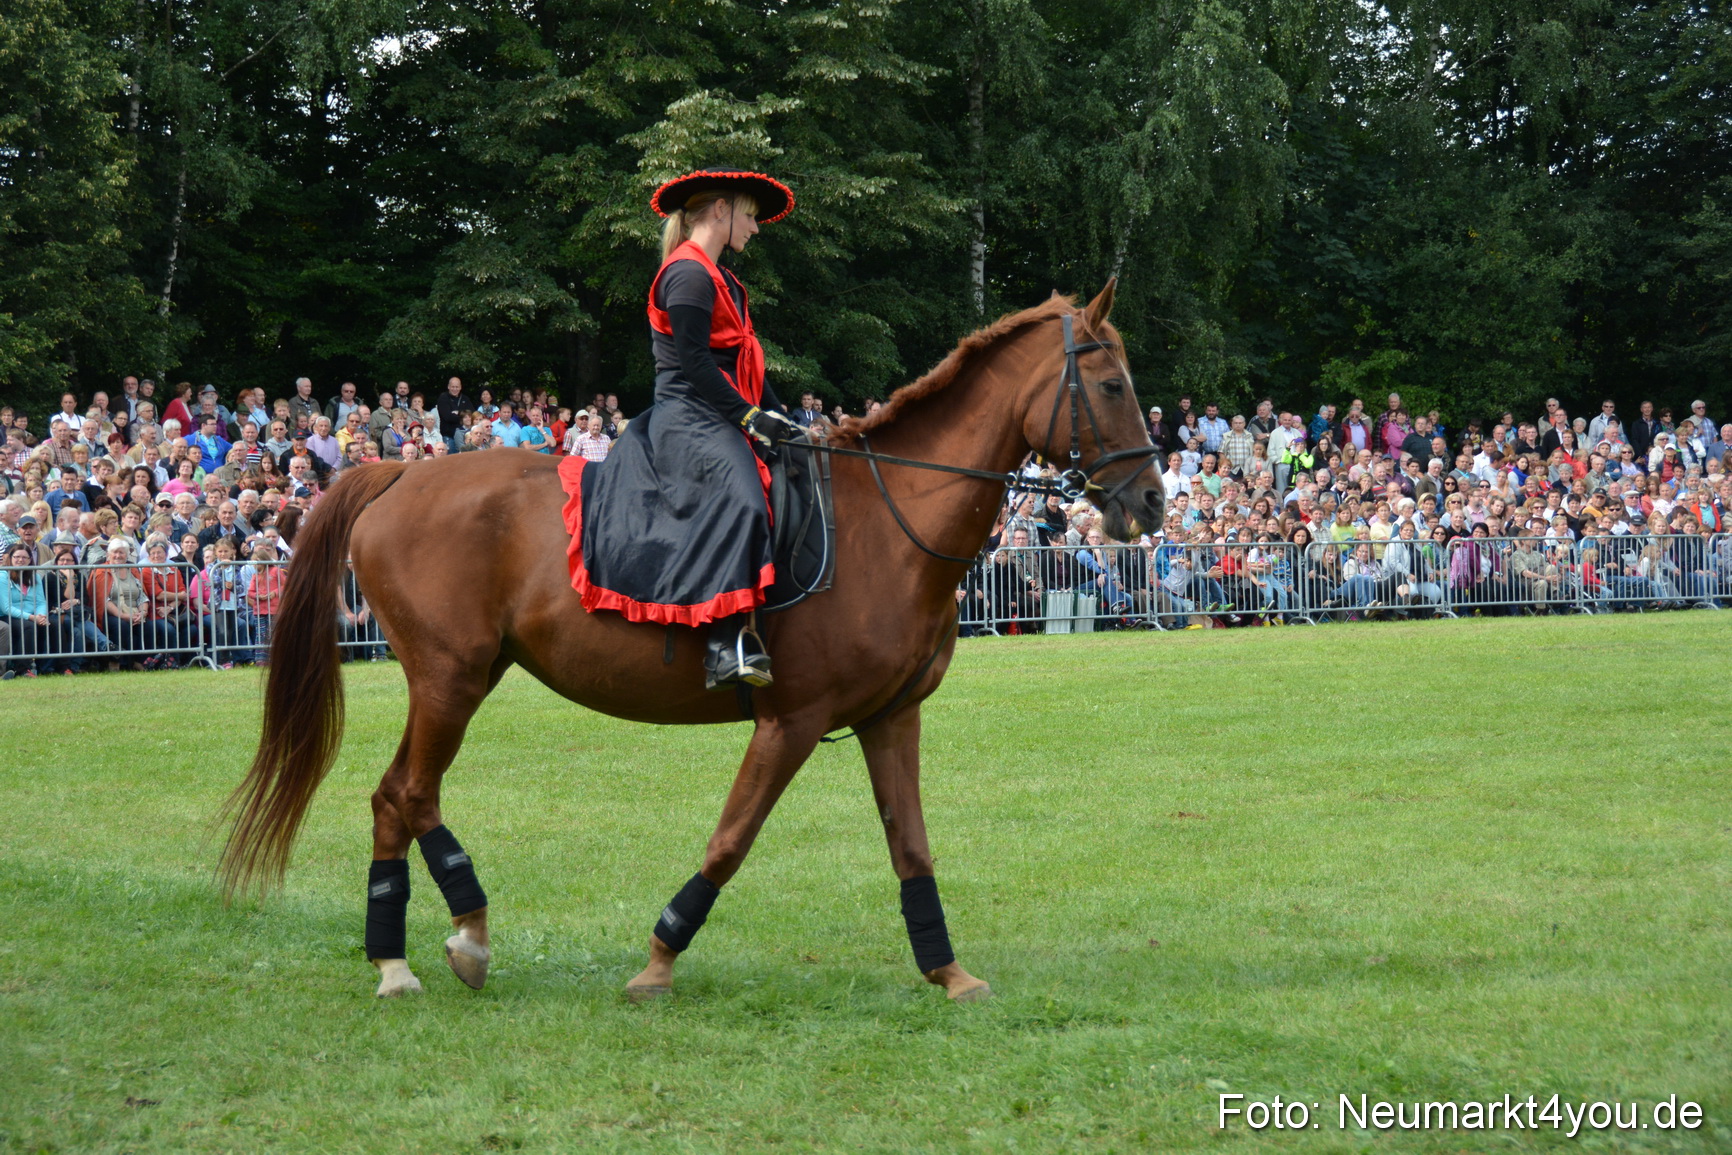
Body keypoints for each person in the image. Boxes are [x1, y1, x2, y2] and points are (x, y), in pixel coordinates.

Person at [575, 166, 799, 689]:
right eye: (751, 215)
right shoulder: (688, 273)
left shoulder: (721, 277)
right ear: (721, 209)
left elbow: (742, 360)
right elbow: (697, 364)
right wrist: (748, 416)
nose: (757, 227)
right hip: (688, 413)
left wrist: (783, 416)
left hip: (715, 408)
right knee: (743, 498)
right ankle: (724, 645)